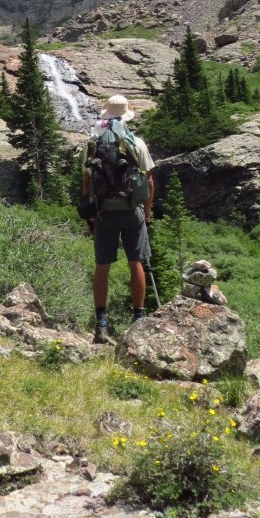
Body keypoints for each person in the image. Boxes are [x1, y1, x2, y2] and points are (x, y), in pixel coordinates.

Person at [82, 94, 155, 344]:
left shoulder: (93, 142)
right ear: (126, 116)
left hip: (103, 212)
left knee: (103, 267)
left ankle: (101, 324)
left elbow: (87, 182)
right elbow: (149, 181)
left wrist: (90, 218)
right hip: (132, 211)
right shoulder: (136, 142)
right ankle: (139, 319)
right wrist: (146, 213)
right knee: (136, 263)